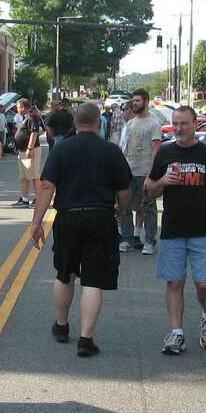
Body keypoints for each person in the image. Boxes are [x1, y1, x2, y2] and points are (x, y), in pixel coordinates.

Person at [30, 102, 132, 357]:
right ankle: (86, 339)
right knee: (93, 279)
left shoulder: (62, 149)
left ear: (76, 122)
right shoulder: (111, 151)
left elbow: (46, 187)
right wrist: (120, 210)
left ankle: (62, 325)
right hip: (100, 216)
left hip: (68, 216)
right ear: (99, 123)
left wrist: (36, 222)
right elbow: (125, 191)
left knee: (65, 273)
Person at [145, 106, 206, 355]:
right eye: (175, 123)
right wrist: (162, 181)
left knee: (204, 284)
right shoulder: (165, 152)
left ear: (195, 124)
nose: (178, 128)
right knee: (174, 282)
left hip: (202, 229)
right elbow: (150, 188)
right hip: (172, 229)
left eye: (184, 123)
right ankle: (177, 333)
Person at [120, 89, 162, 254]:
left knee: (148, 208)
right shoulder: (130, 124)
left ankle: (149, 242)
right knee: (126, 207)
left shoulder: (154, 123)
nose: (134, 103)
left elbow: (156, 151)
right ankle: (127, 239)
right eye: (133, 101)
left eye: (137, 101)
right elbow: (126, 148)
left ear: (145, 101)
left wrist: (151, 176)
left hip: (146, 173)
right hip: (129, 172)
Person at [13, 98, 45, 207]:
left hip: (31, 151)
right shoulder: (26, 117)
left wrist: (29, 148)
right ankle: (25, 199)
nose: (17, 109)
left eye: (18, 107)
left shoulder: (31, 117)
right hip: (23, 151)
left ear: (22, 107)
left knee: (34, 175)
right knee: (25, 176)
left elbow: (34, 133)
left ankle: (40, 199)